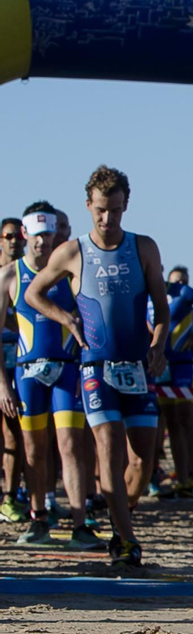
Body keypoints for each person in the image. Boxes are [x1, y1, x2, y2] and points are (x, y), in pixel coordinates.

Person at [25, 166, 169, 567]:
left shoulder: (143, 247)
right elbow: (34, 293)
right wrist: (66, 319)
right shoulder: (72, 252)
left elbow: (161, 306)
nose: (108, 220)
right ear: (89, 206)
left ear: (126, 207)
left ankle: (120, 517)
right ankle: (125, 540)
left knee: (142, 462)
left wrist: (159, 343)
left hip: (137, 365)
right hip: (95, 366)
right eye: (101, 211)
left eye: (116, 211)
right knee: (108, 450)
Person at [0, 210, 97, 549]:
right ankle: (38, 518)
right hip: (27, 373)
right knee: (33, 450)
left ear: (56, 235)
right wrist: (2, 385)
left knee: (70, 446)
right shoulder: (10, 275)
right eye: (36, 234)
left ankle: (80, 523)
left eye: (48, 234)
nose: (42, 241)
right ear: (25, 234)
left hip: (66, 369)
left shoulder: (67, 273)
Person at [152, 265, 193, 500]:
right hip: (159, 365)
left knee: (186, 419)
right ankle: (179, 477)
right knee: (170, 423)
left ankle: (191, 476)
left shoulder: (179, 291)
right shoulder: (144, 295)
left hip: (183, 364)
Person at [0, 216, 26, 524]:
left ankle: (11, 495)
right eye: (8, 235)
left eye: (18, 235)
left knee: (15, 431)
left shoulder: (27, 274)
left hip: (20, 354)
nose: (14, 240)